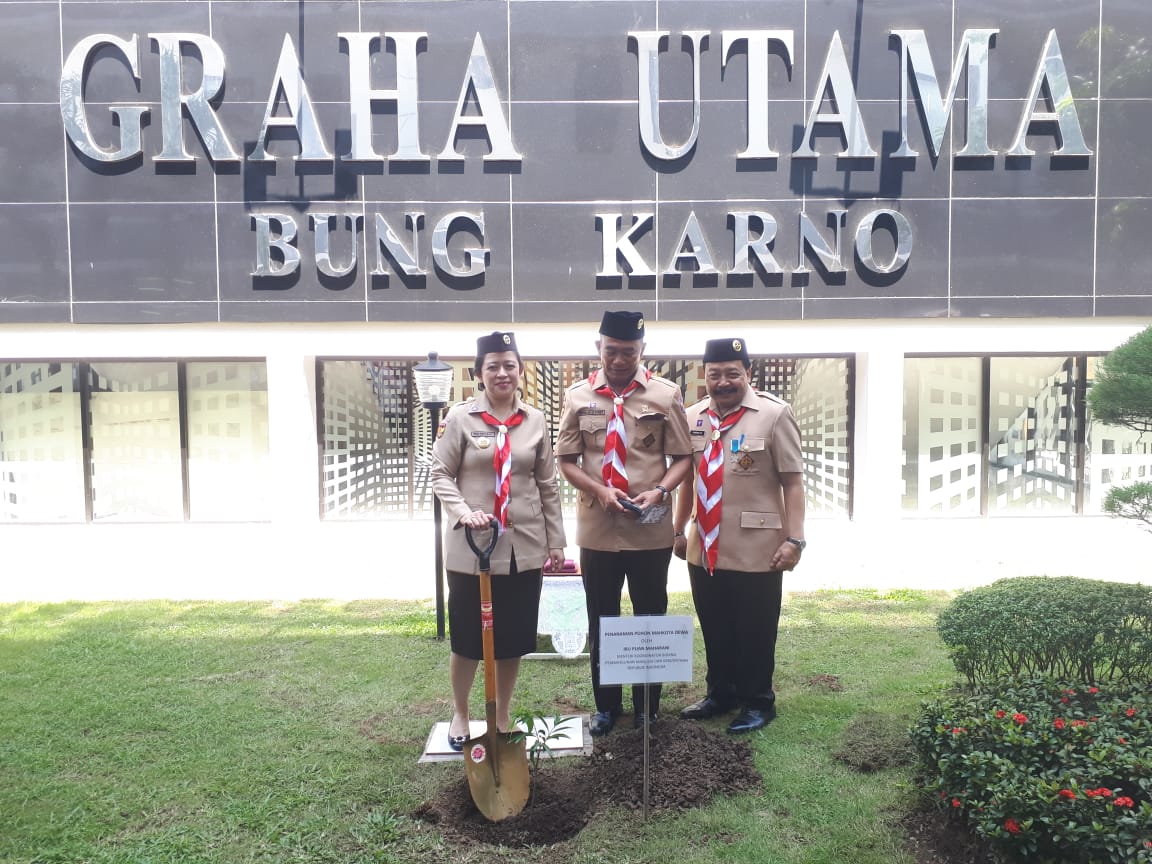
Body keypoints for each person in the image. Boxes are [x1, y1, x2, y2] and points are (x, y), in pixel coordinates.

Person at [556, 311, 693, 736]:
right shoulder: (578, 397)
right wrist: (598, 490)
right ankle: (606, 706)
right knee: (602, 617)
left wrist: (662, 491)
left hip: (649, 526)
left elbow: (684, 456)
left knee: (650, 614)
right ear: (598, 348)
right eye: (611, 350)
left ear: (642, 351)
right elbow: (566, 460)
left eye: (628, 352)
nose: (618, 360)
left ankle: (648, 706)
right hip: (598, 528)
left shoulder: (666, 395)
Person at [431, 331, 566, 751]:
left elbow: (547, 484)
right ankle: (460, 713)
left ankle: (503, 715)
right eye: (493, 366)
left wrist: (556, 541)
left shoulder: (536, 421)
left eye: (510, 364)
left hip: (523, 546)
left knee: (512, 637)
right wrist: (462, 512)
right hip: (473, 549)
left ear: (520, 371)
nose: (502, 372)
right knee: (469, 637)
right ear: (478, 374)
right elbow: (439, 474)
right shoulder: (459, 419)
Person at [673, 337, 806, 733]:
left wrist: (795, 540)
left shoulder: (774, 415)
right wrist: (679, 529)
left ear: (749, 372)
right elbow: (688, 479)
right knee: (714, 623)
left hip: (758, 546)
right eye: (715, 374)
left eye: (733, 373)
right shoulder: (693, 416)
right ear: (705, 376)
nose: (724, 381)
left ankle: (758, 701)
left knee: (755, 627)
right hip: (705, 545)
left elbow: (793, 483)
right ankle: (721, 693)